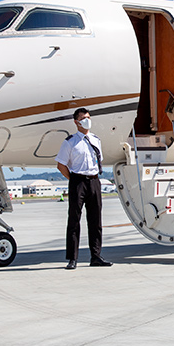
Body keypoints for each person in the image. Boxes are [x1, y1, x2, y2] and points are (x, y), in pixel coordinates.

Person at [56, 108, 112, 269]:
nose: (87, 120)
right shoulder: (70, 142)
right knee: (74, 221)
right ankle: (72, 258)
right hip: (78, 181)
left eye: (88, 117)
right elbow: (61, 165)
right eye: (83, 118)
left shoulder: (96, 140)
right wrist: (74, 180)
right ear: (76, 122)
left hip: (94, 181)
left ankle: (96, 256)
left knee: (96, 221)